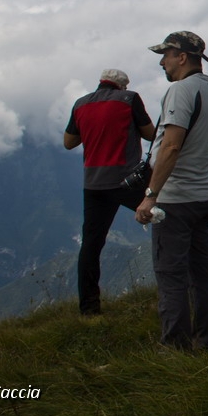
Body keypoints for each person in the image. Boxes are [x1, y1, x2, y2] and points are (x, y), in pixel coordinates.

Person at [135, 31, 208, 351]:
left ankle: (175, 348)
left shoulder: (180, 91)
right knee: (203, 274)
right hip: (207, 198)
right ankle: (206, 342)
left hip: (176, 202)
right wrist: (205, 182)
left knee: (171, 276)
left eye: (166, 54)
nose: (162, 61)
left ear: (182, 57)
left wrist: (151, 195)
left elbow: (171, 146)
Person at [64, 68, 156, 316]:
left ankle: (89, 309)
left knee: (91, 246)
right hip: (127, 181)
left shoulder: (80, 104)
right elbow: (151, 134)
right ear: (122, 86)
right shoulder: (129, 99)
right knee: (172, 217)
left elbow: (69, 142)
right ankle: (200, 273)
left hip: (93, 184)